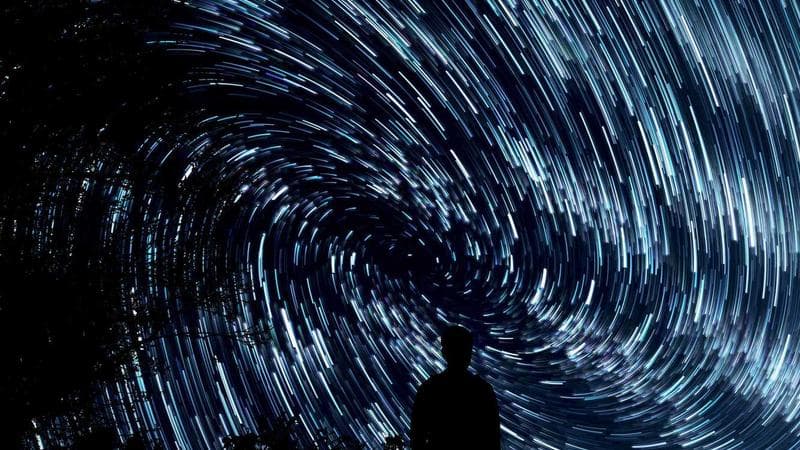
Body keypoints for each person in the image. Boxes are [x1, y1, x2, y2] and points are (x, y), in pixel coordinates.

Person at [410, 325, 501, 449]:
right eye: (462, 349)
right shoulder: (482, 389)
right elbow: (492, 438)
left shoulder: (429, 388)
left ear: (444, 353)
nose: (465, 354)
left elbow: (417, 437)